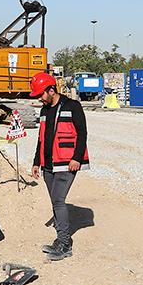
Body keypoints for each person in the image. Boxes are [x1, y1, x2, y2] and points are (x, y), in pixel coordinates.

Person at [28, 71, 87, 261]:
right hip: (48, 166)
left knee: (59, 200)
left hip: (66, 163)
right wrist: (37, 162)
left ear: (51, 90)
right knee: (55, 201)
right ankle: (60, 239)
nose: (39, 99)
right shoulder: (45, 111)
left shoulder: (73, 106)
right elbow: (41, 139)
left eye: (40, 94)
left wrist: (76, 158)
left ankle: (64, 243)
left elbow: (82, 133)